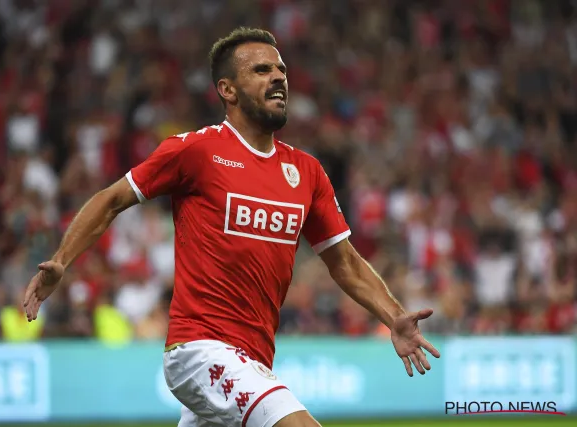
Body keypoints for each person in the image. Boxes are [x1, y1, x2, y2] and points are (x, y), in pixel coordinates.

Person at [23, 27, 440, 427]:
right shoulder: (197, 151)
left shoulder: (307, 172)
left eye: (281, 70)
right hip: (200, 349)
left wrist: (394, 316)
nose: (278, 77)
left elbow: (344, 262)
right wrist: (62, 260)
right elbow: (112, 199)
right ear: (228, 89)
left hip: (254, 357)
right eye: (261, 70)